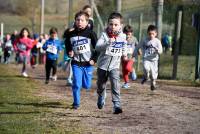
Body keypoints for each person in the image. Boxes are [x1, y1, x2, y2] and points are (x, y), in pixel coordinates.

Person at [95, 12, 127, 114]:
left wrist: (124, 54)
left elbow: (124, 45)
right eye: (111, 24)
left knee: (115, 84)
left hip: (114, 66)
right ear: (108, 24)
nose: (113, 27)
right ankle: (101, 95)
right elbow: (97, 47)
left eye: (116, 25)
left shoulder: (123, 36)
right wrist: (107, 43)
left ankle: (116, 105)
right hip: (102, 66)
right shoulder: (104, 35)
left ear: (120, 26)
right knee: (101, 85)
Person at [64, 11, 97, 109]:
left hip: (88, 64)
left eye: (82, 20)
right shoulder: (71, 34)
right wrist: (69, 51)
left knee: (87, 85)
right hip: (76, 63)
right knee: (76, 84)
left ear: (87, 22)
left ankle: (84, 82)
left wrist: (94, 60)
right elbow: (67, 44)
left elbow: (98, 49)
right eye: (77, 20)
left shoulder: (91, 34)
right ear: (75, 21)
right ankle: (76, 103)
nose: (79, 22)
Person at [134, 25, 163, 91]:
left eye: (153, 34)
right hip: (146, 59)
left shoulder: (157, 41)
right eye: (150, 34)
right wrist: (134, 54)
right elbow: (138, 47)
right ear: (147, 33)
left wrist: (157, 50)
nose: (151, 35)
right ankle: (146, 77)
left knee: (153, 75)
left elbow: (161, 51)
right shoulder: (144, 40)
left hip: (154, 60)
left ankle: (153, 84)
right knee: (146, 68)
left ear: (156, 34)